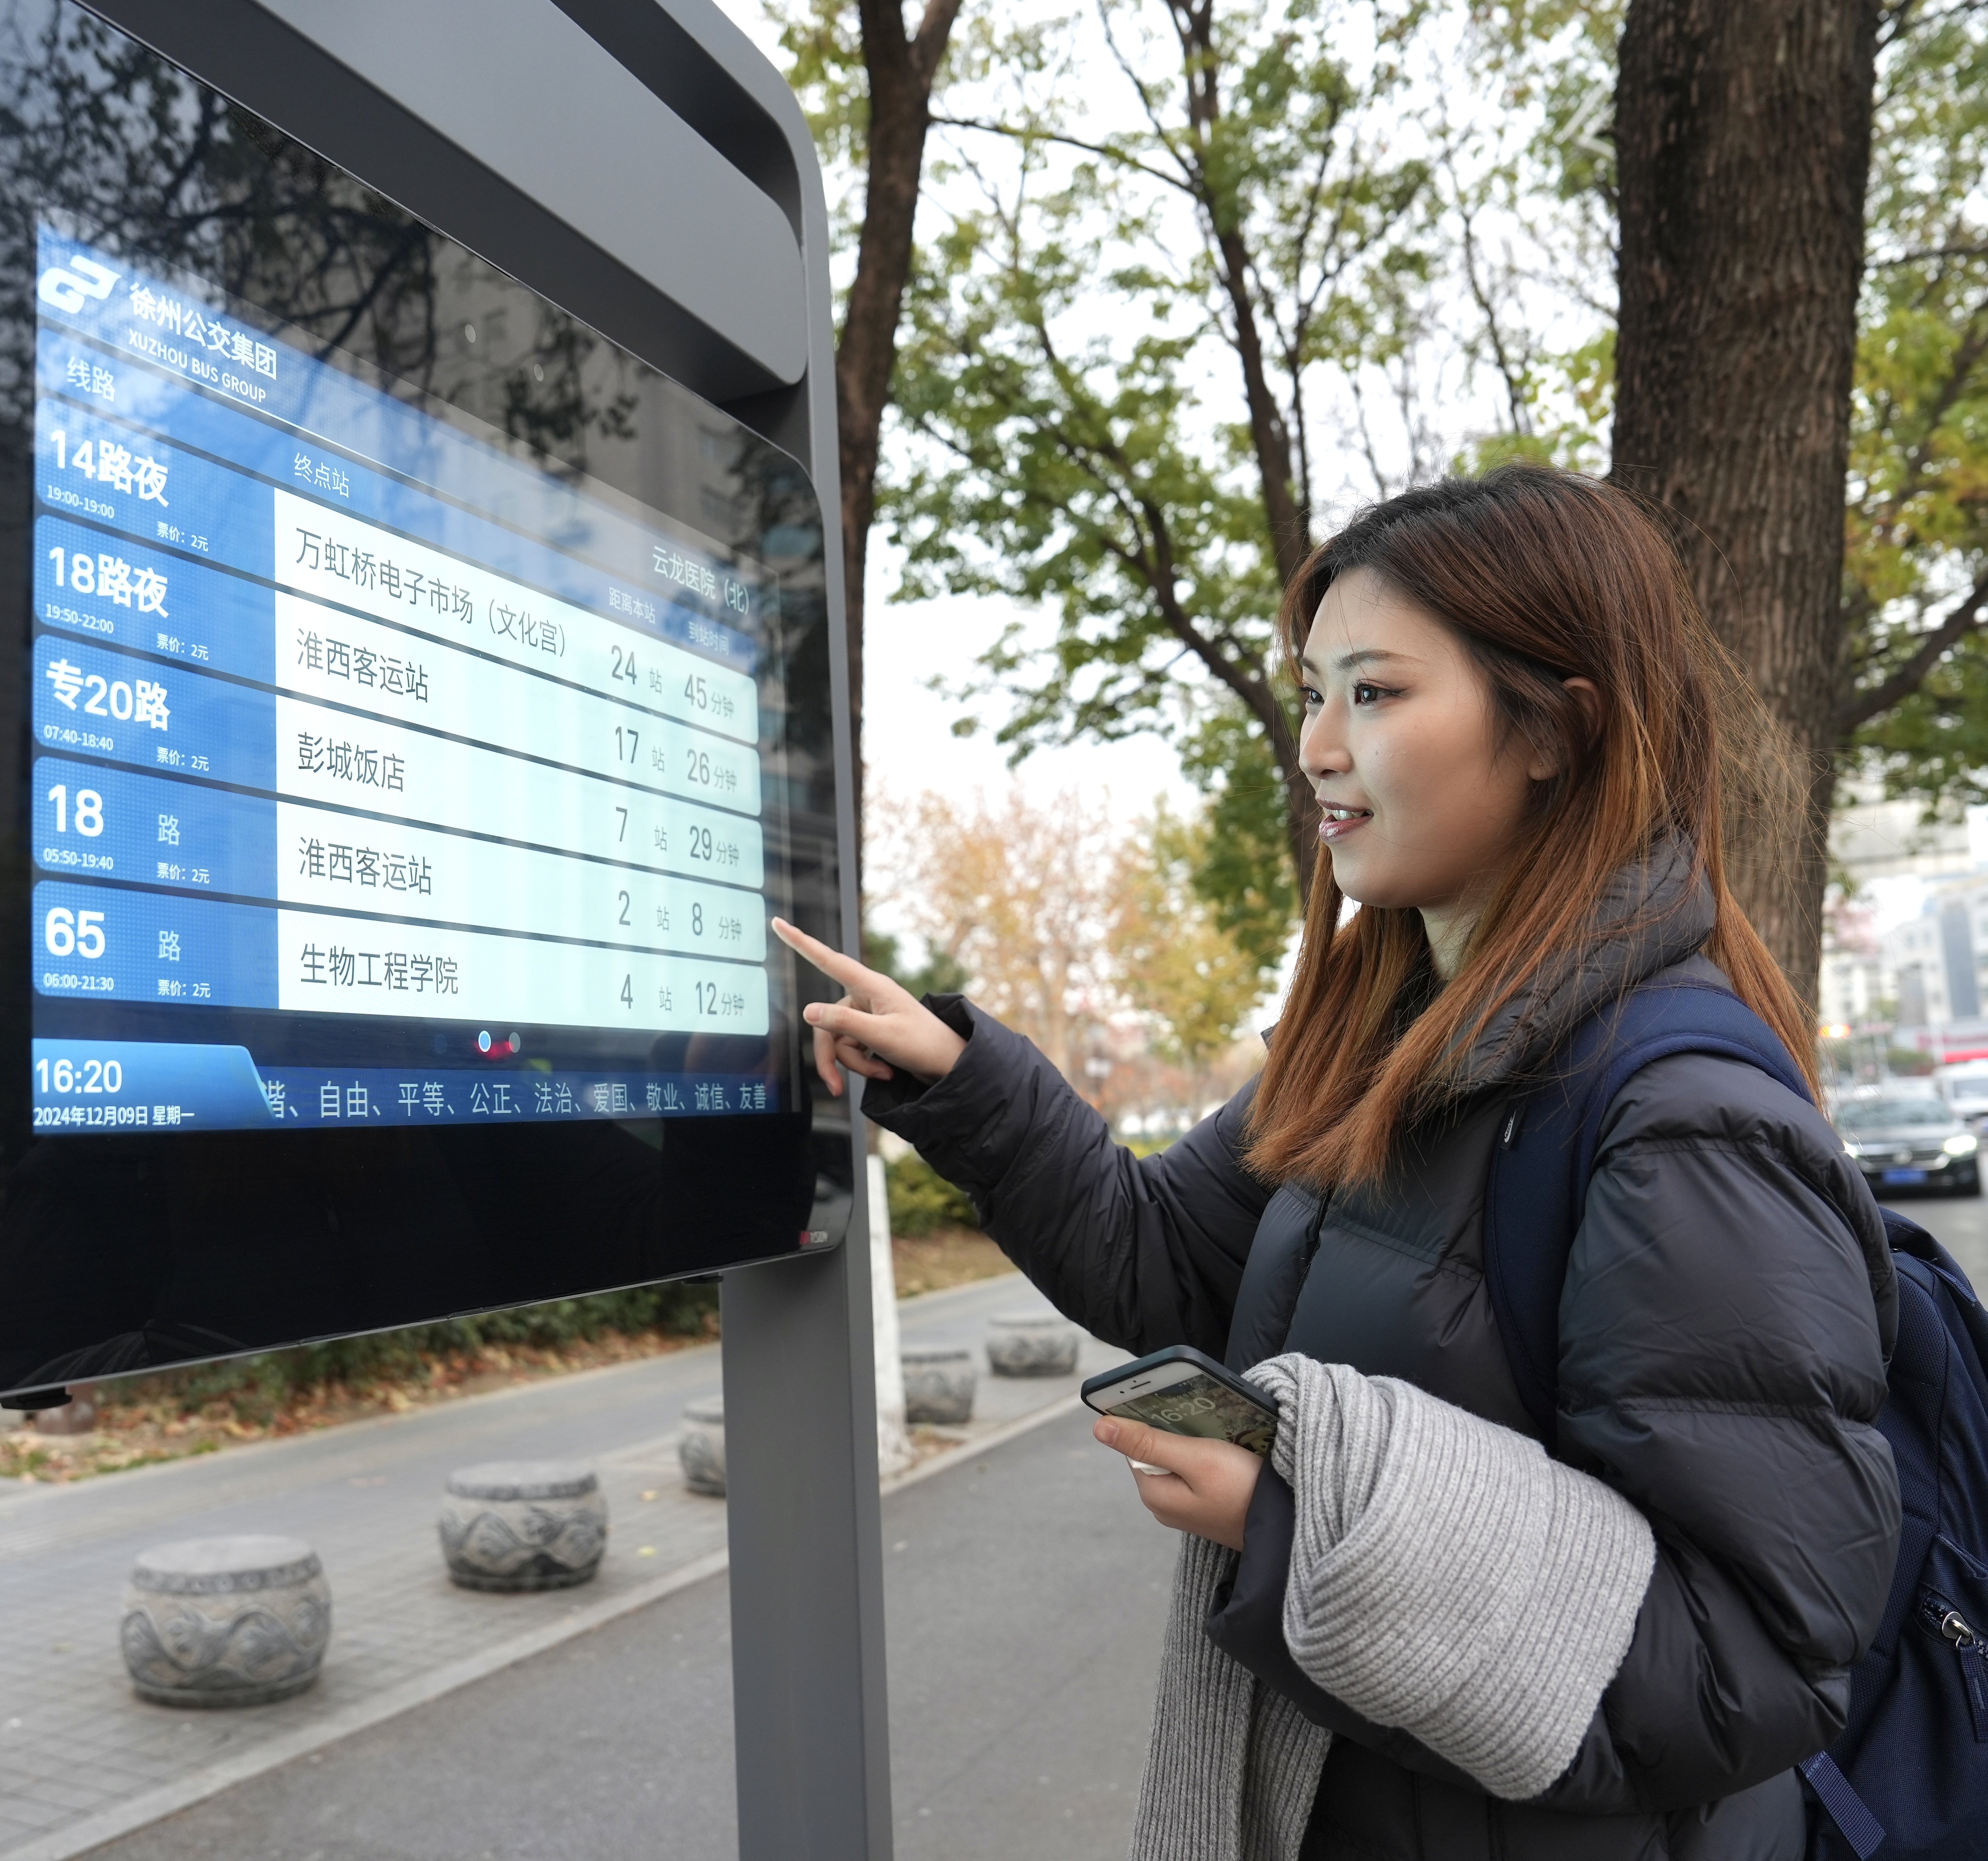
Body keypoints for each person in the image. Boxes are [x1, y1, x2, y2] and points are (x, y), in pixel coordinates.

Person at [776, 464, 1897, 1861]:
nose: (1315, 744)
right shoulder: (1388, 1035)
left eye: (1373, 692)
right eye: (1314, 691)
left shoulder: (1680, 1119)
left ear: (1557, 729)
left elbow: (1762, 1658)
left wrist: (1303, 1517)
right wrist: (963, 1080)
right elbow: (1164, 1256)